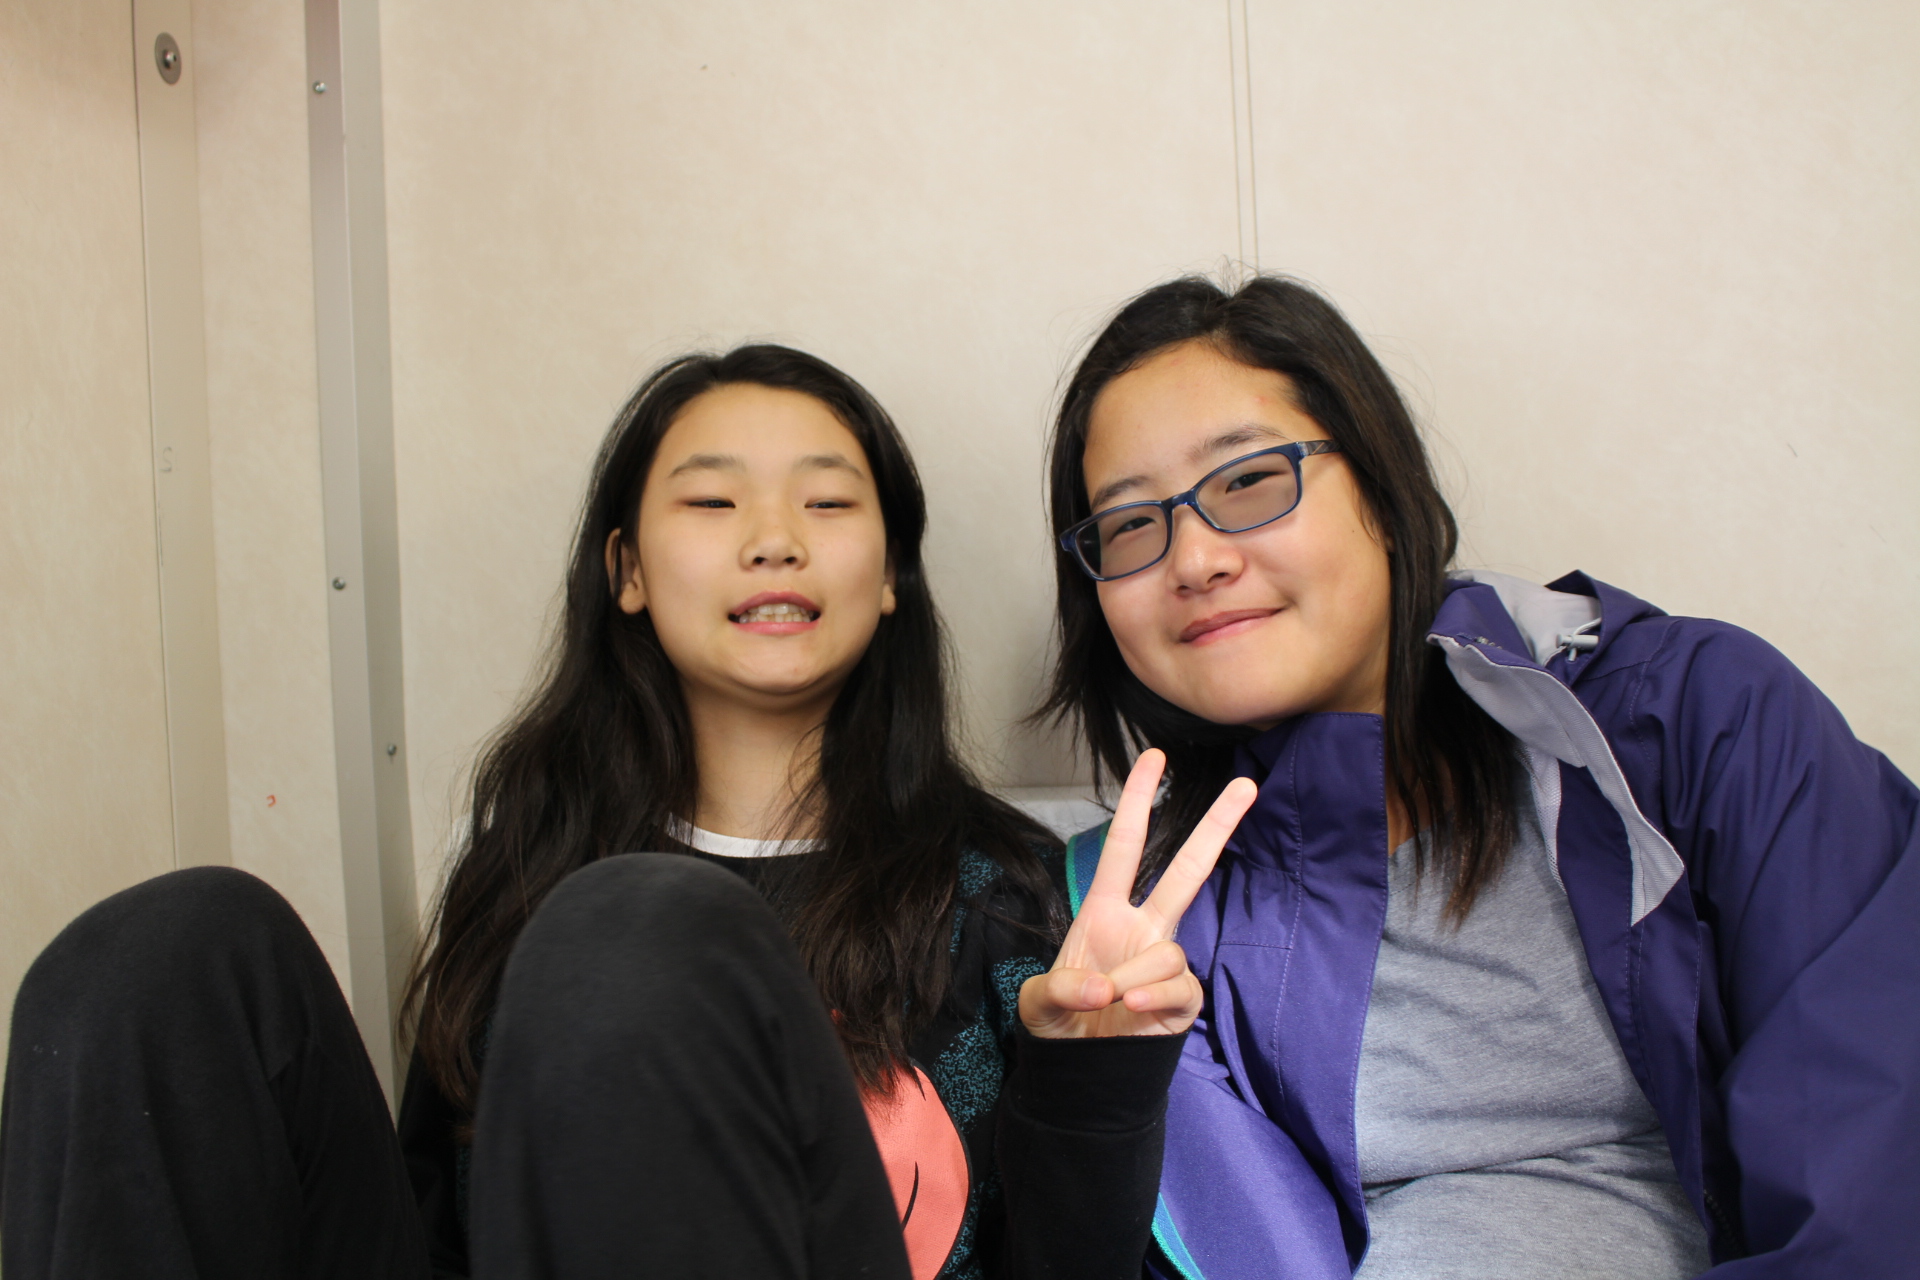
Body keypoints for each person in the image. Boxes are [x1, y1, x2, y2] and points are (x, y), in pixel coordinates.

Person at [1, 344, 1254, 1280]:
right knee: (171, 951)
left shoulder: (1006, 889)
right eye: (712, 503)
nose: (775, 539)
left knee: (634, 930)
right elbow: (443, 1229)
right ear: (628, 571)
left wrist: (1096, 1074)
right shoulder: (527, 865)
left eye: (828, 503)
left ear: (889, 579)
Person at [1037, 276, 1919, 1279]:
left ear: (1383, 492)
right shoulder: (1142, 909)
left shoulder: (1694, 720)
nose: (1194, 558)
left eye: (1248, 479)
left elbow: (1874, 1177)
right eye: (1130, 524)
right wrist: (1092, 1087)